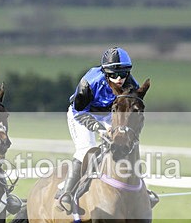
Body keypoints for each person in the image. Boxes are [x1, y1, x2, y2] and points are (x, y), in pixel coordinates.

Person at [55, 46, 140, 210]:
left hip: (109, 114)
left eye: (123, 74)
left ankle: (140, 189)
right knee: (88, 149)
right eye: (114, 75)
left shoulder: (131, 85)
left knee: (127, 144)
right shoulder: (89, 83)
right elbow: (79, 112)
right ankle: (66, 193)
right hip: (82, 114)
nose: (119, 79)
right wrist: (101, 129)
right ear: (105, 72)